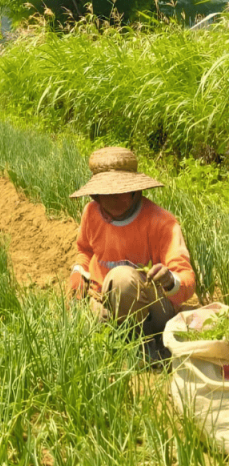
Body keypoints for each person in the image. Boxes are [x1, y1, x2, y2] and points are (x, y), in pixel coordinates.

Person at [68, 147, 196, 358]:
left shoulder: (161, 222)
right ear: (96, 195)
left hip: (152, 312)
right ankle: (118, 337)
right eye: (107, 193)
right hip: (105, 301)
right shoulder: (91, 214)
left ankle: (144, 347)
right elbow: (85, 250)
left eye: (120, 192)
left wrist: (168, 280)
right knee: (82, 322)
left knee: (123, 278)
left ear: (136, 191)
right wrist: (79, 272)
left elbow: (187, 281)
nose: (114, 198)